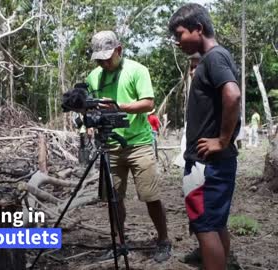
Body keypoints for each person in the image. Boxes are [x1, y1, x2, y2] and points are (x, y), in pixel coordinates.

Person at [86, 30, 171, 262]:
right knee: (113, 198)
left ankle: (163, 240)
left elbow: (148, 103)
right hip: (110, 145)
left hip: (138, 144)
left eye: (108, 57)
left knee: (150, 195)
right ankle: (119, 242)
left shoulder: (137, 70)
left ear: (119, 50)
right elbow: (90, 103)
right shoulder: (94, 76)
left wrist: (118, 107)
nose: (104, 62)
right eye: (100, 58)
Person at [169, 4, 241, 270]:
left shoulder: (214, 58)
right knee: (215, 223)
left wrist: (222, 140)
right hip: (213, 162)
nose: (177, 42)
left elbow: (232, 95)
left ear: (198, 29)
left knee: (205, 227)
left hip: (206, 164)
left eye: (180, 34)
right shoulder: (213, 59)